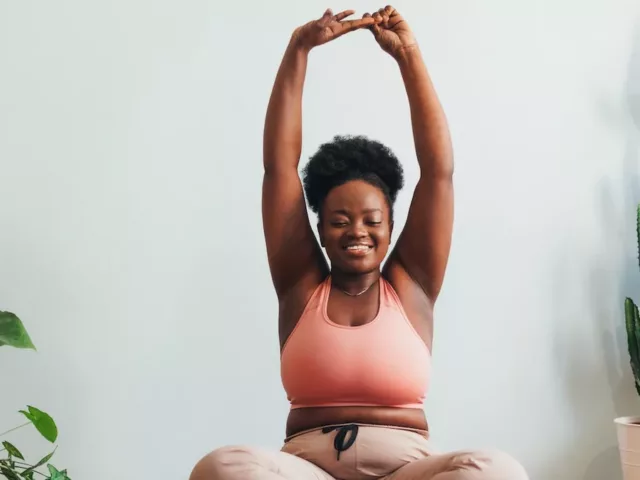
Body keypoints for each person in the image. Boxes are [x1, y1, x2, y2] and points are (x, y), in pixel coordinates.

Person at [191, 6, 528, 480]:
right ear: (320, 228)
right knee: (223, 468)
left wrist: (408, 56)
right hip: (307, 468)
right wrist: (298, 50)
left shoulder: (412, 285)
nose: (357, 232)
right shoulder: (299, 285)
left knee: (496, 471)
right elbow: (278, 169)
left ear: (392, 226)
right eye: (339, 221)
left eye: (372, 220)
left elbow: (439, 173)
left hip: (406, 468)